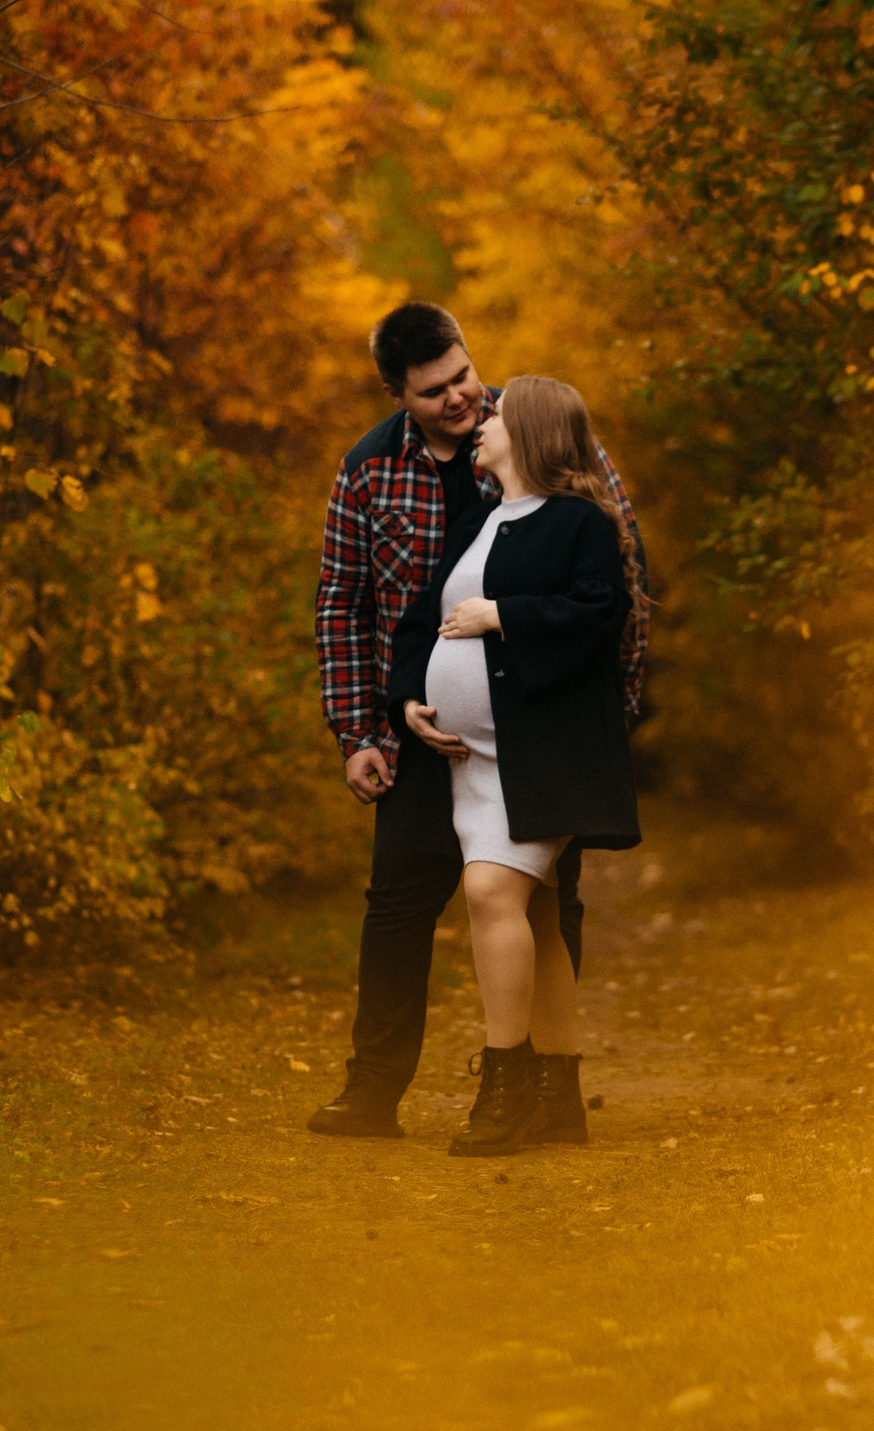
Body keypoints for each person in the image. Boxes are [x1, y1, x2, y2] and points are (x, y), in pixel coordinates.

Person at [308, 304, 648, 1143]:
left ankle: (542, 1089)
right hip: (422, 738)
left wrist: (608, 718)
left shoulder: (535, 426)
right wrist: (366, 727)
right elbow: (346, 603)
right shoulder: (369, 471)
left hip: (538, 734)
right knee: (399, 900)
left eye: (463, 375)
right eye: (435, 391)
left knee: (544, 905)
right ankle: (374, 1089)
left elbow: (620, 580)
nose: (462, 397)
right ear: (399, 395)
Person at [385, 376, 643, 1153]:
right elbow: (421, 621)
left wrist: (503, 614)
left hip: (541, 756)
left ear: (530, 433)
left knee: (490, 891)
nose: (481, 421)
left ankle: (507, 1086)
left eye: (496, 415)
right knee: (535, 916)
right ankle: (559, 1096)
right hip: (472, 764)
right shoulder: (479, 519)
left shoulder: (578, 522)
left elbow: (602, 614)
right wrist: (409, 700)